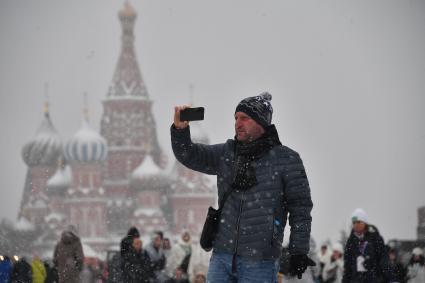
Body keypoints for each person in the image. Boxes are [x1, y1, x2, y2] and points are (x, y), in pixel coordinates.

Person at [171, 92, 314, 282]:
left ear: (261, 122)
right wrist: (180, 130)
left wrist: (298, 250)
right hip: (222, 256)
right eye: (236, 118)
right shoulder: (227, 153)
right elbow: (189, 155)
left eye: (245, 118)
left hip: (260, 261)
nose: (238, 123)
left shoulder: (287, 160)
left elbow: (301, 209)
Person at [342, 208, 396, 283]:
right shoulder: (351, 241)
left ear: (365, 222)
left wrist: (392, 279)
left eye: (358, 222)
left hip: (373, 279)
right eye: (353, 222)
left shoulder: (375, 238)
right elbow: (348, 267)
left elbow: (384, 260)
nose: (355, 225)